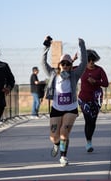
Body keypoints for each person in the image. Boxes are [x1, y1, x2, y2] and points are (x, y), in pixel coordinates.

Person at [41, 37, 87, 167]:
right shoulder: (53, 74)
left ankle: (63, 156)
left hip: (71, 108)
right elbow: (43, 62)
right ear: (59, 65)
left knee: (64, 133)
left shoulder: (74, 74)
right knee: (54, 137)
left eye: (68, 64)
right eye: (63, 64)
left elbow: (83, 63)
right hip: (56, 108)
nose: (66, 66)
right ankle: (56, 145)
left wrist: (82, 45)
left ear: (71, 65)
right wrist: (46, 47)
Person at [77, 49, 109, 152]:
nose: (91, 62)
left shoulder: (99, 70)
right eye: (89, 60)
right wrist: (72, 60)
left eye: (93, 60)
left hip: (96, 99)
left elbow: (106, 83)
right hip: (83, 99)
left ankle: (90, 139)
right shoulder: (81, 69)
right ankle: (88, 142)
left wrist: (96, 81)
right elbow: (66, 69)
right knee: (88, 120)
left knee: (93, 121)